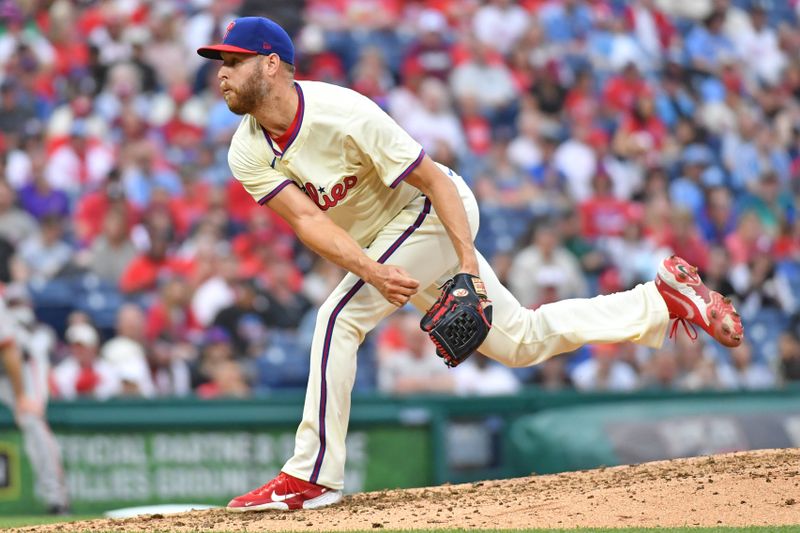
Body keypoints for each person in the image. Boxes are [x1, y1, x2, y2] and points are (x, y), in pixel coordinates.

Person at [197, 17, 744, 512]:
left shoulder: (343, 112)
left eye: (233, 61)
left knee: (338, 319)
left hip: (435, 211)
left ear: (272, 63)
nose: (222, 74)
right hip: (391, 242)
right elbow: (309, 223)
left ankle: (311, 475)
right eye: (221, 64)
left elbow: (434, 180)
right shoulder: (246, 148)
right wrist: (371, 268)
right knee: (520, 342)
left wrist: (469, 272)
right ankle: (660, 298)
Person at [0, 287, 70, 514]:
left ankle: (57, 499)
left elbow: (10, 351)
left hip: (22, 365)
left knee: (32, 419)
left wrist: (21, 396)